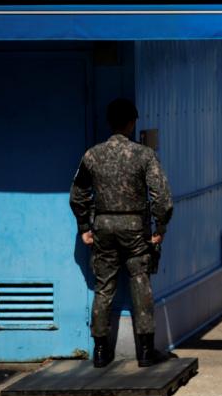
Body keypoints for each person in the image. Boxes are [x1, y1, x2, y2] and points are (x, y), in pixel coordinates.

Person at [69, 98, 175, 369]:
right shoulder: (144, 155)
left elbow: (77, 195)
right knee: (140, 282)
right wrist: (160, 228)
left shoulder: (91, 155)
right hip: (136, 229)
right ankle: (146, 352)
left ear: (109, 122)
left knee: (104, 287)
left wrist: (84, 227)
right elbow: (162, 197)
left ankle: (102, 352)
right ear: (132, 122)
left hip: (103, 227)